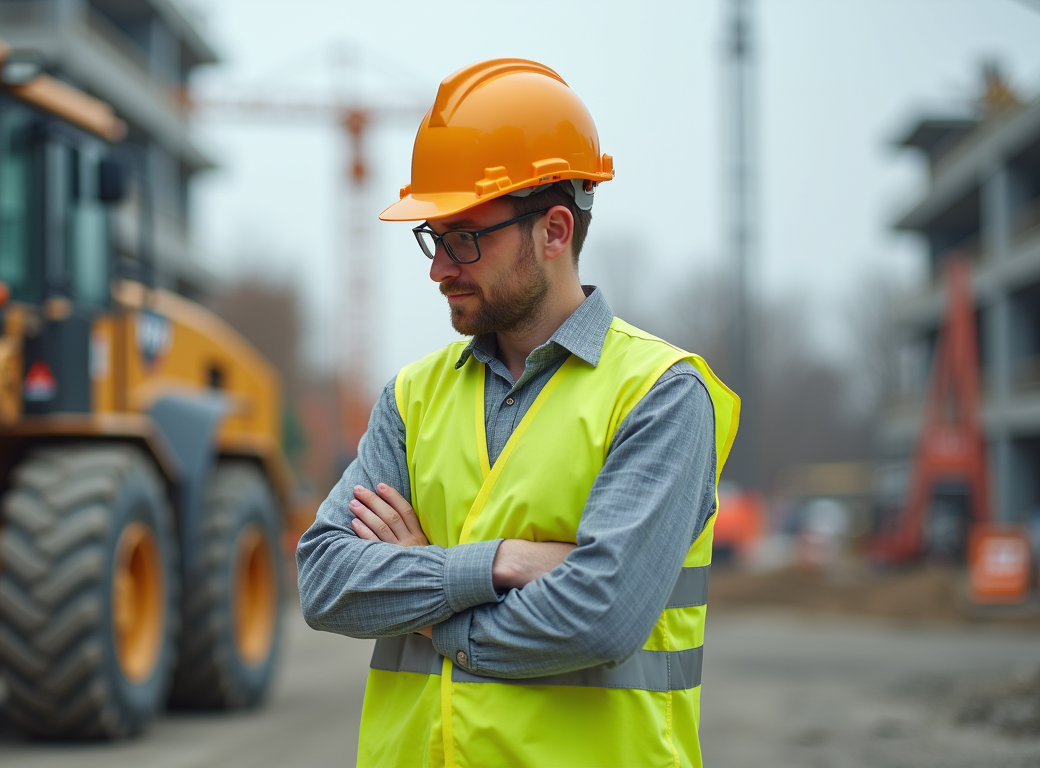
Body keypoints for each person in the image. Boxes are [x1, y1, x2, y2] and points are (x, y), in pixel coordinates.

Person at [296, 57, 740, 768]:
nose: (439, 267)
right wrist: (500, 565)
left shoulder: (659, 394)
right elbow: (324, 580)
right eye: (432, 238)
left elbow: (601, 616)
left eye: (464, 236)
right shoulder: (412, 398)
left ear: (555, 231)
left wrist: (426, 597)